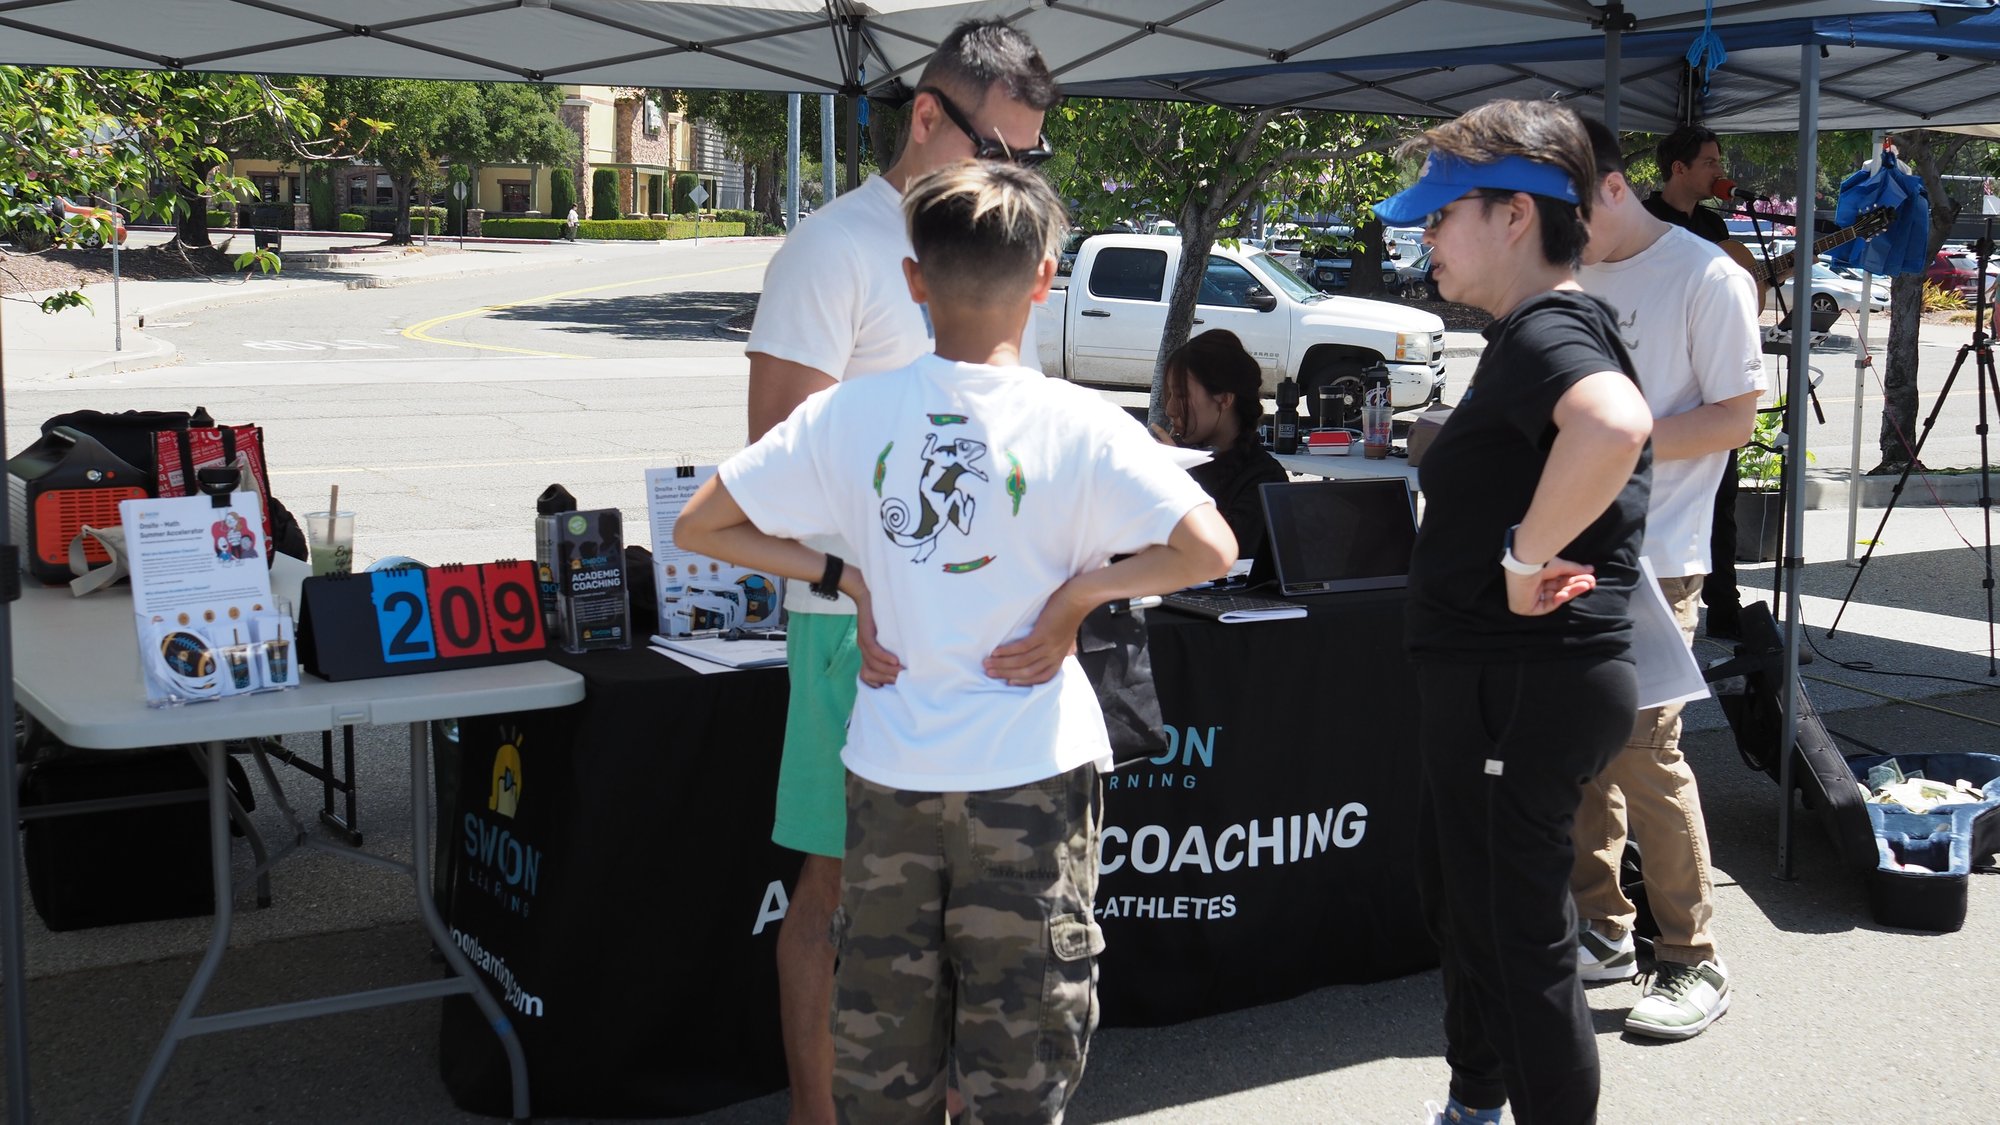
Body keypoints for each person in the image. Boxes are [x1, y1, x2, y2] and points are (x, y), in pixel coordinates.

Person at [676, 160, 1235, 1124]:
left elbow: (701, 525)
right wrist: (1077, 600)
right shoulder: (1079, 422)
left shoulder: (850, 413)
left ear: (914, 281)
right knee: (1018, 1080)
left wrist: (844, 579)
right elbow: (1208, 547)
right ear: (1045, 279)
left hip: (890, 778)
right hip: (1033, 778)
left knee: (883, 1073)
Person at [739, 20, 1059, 1124]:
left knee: (951, 898)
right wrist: (848, 580)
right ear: (927, 114)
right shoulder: (836, 250)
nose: (1011, 174)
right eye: (997, 148)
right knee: (838, 892)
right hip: (856, 631)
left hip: (969, 635)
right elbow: (768, 463)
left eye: (1028, 158)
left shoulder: (983, 243)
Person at [1374, 99, 1654, 1125]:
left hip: (1519, 681)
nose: (1424, 238)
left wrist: (1518, 555)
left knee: (1514, 937)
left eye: (1442, 216)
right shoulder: (1532, 333)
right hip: (1501, 682)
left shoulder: (1546, 326)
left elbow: (1613, 424)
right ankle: (1474, 1102)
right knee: (1468, 910)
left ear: (1514, 217)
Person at [1572, 114, 1763, 1041]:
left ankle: (1693, 957)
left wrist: (1629, 438)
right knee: (1580, 748)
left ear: (1613, 186)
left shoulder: (1707, 274)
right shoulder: (1572, 271)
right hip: (1569, 549)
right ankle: (1602, 931)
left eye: (1566, 210)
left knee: (1645, 750)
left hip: (1661, 555)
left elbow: (1735, 416)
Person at [1645, 124, 1746, 640]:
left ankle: (1724, 604)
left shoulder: (1711, 222)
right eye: (1709, 162)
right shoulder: (1645, 220)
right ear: (1678, 168)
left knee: (1723, 496)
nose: (1719, 172)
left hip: (1711, 385)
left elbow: (1749, 281)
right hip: (1660, 382)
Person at [1162, 329, 1289, 562]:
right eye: (1169, 395)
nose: (1170, 409)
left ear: (1224, 399)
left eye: (1180, 395)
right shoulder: (1176, 457)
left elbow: (1221, 554)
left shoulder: (1265, 478)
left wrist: (1173, 479)